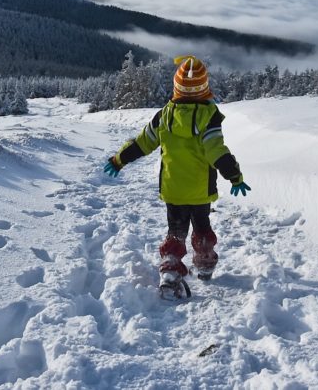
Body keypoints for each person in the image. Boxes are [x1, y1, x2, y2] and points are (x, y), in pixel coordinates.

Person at [103, 55, 251, 300]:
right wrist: (234, 176)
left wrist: (119, 160)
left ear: (176, 86)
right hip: (200, 190)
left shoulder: (165, 115)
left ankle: (171, 269)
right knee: (202, 226)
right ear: (204, 87)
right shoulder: (209, 117)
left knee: (176, 230)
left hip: (173, 189)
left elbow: (143, 143)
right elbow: (216, 150)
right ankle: (204, 263)